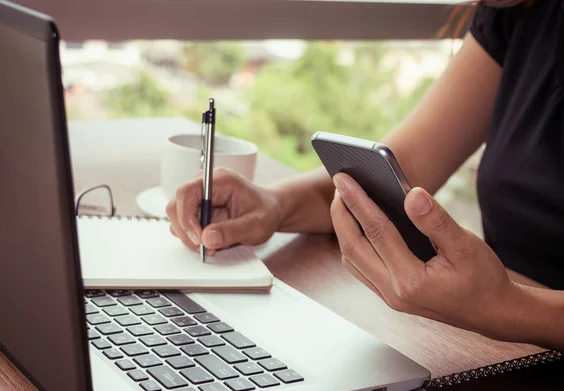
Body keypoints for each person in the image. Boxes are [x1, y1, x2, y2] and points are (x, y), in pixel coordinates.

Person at [167, 0, 564, 351]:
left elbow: (505, 307)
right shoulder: (515, 14)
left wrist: (508, 307)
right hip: (512, 352)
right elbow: (397, 171)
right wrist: (274, 204)